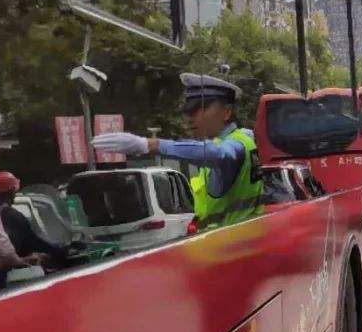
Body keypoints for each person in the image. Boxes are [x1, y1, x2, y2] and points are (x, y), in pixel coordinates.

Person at [93, 73, 263, 228]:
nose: (190, 118)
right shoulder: (244, 139)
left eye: (200, 109)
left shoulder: (234, 145)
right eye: (189, 111)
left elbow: (218, 153)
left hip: (230, 245)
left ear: (226, 112)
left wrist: (150, 144)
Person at [0, 171, 70, 263]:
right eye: (14, 192)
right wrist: (60, 251)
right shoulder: (11, 215)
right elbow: (33, 241)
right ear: (11, 191)